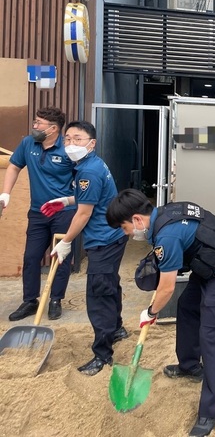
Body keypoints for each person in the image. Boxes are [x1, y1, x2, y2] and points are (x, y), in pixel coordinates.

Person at [107, 189, 215, 437]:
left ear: (138, 220)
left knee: (212, 335)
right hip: (210, 262)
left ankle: (210, 411)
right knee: (187, 306)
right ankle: (190, 365)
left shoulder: (167, 236)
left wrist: (151, 312)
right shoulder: (163, 216)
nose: (126, 234)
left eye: (124, 227)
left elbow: (167, 287)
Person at [43, 121, 129, 375]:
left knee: (98, 295)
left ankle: (102, 355)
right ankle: (117, 329)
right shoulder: (92, 165)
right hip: (113, 235)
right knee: (110, 283)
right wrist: (65, 201)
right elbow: (90, 198)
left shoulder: (88, 172)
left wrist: (66, 242)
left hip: (103, 239)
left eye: (77, 139)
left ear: (91, 143)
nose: (71, 144)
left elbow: (83, 214)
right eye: (67, 138)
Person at [1, 107, 76, 321]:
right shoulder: (28, 144)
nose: (34, 127)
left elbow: (82, 178)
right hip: (37, 213)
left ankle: (55, 300)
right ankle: (30, 301)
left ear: (53, 129)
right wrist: (5, 194)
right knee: (31, 257)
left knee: (60, 257)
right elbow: (14, 166)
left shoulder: (68, 149)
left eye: (38, 123)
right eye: (35, 122)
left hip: (64, 212)